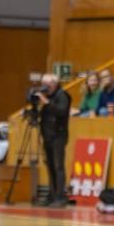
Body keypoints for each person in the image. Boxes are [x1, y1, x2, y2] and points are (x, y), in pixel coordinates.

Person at [35, 73, 70, 207]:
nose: (44, 87)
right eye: (43, 84)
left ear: (54, 84)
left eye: (47, 85)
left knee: (58, 166)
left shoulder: (63, 95)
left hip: (59, 136)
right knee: (49, 166)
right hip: (47, 135)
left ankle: (61, 197)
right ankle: (52, 195)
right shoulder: (46, 96)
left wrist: (47, 103)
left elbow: (62, 111)